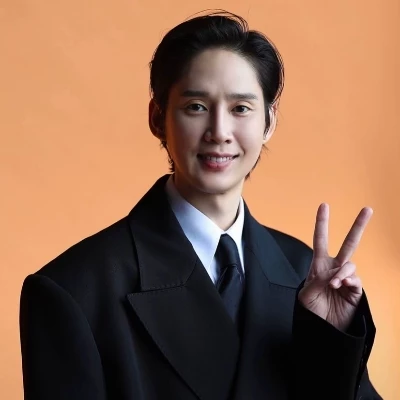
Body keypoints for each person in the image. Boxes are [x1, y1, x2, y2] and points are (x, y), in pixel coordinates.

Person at [19, 11, 382, 400]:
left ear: (269, 122)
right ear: (157, 117)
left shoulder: (303, 273)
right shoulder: (72, 291)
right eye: (196, 106)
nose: (219, 132)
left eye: (240, 108)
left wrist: (332, 345)